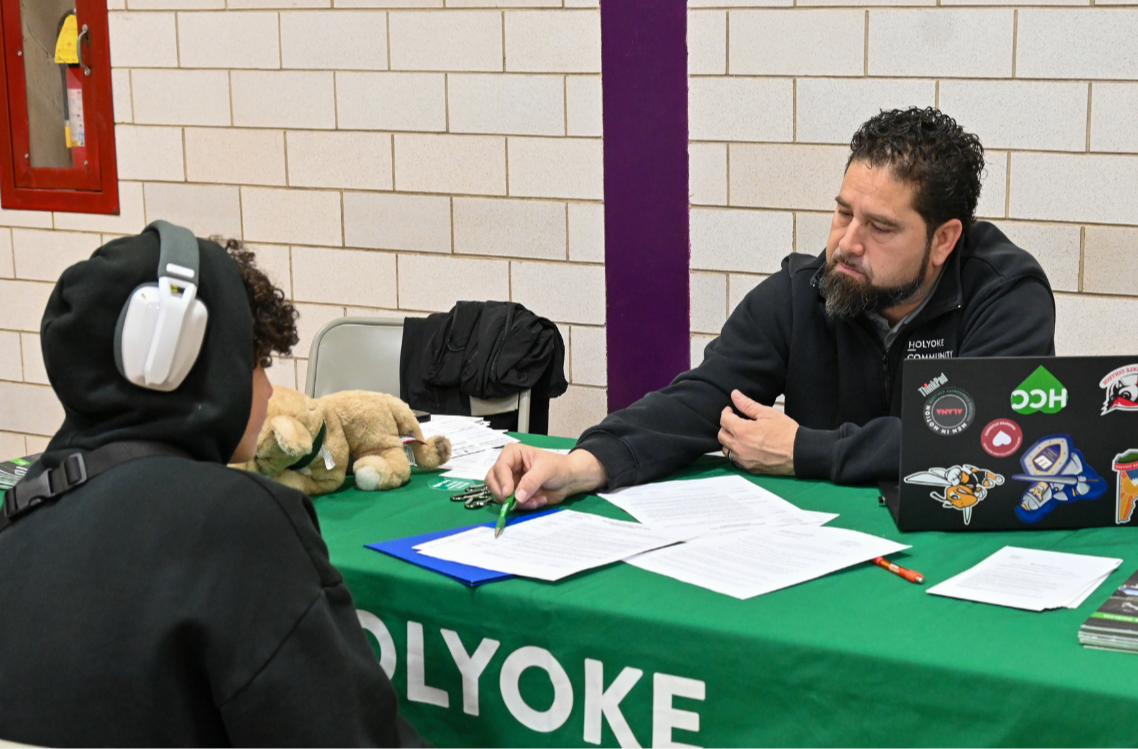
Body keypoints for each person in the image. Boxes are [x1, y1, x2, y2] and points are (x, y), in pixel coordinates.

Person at [487, 107, 1055, 509]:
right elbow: (703, 397)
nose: (847, 243)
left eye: (880, 227)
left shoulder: (1006, 293)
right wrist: (586, 464)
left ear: (944, 240)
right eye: (842, 213)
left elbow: (988, 439)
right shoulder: (806, 289)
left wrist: (807, 449)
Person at [0, 225, 430, 748]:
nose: (270, 389)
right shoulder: (241, 522)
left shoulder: (19, 514)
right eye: (255, 364)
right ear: (169, 361)